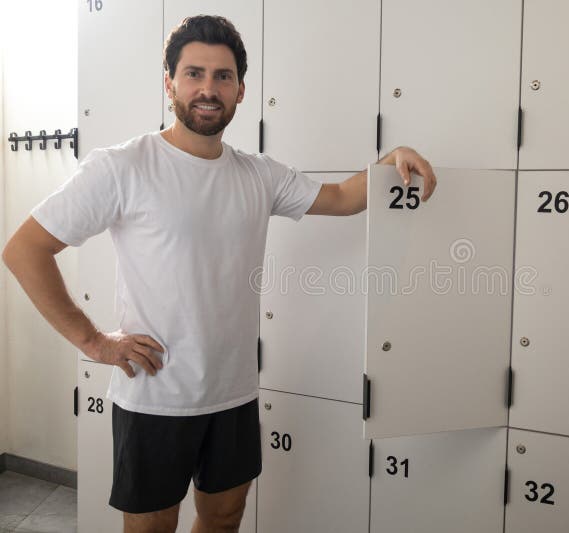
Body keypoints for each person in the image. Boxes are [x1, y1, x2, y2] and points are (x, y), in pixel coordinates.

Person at [2, 15, 436, 533]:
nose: (208, 89)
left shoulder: (258, 174)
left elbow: (342, 199)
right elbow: (25, 249)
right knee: (152, 527)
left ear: (240, 90)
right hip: (155, 397)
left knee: (226, 518)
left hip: (233, 394)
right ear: (170, 83)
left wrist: (391, 161)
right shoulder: (123, 166)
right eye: (194, 74)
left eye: (223, 76)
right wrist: (94, 342)